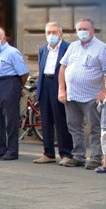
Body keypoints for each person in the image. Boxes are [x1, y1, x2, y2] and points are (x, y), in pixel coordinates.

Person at [59, 18, 106, 168]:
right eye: (79, 29)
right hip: (72, 95)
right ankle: (78, 156)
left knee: (95, 127)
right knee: (74, 126)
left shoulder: (101, 48)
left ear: (93, 30)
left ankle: (96, 158)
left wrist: (104, 92)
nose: (82, 32)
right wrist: (61, 89)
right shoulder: (73, 46)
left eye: (85, 29)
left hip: (92, 96)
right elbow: (63, 68)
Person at [0, 28, 30, 161]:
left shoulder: (12, 52)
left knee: (10, 119)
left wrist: (18, 86)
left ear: (4, 38)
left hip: (9, 83)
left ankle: (12, 150)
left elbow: (23, 72)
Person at [36, 23, 74, 164]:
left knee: (61, 120)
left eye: (54, 32)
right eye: (48, 32)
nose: (51, 35)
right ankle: (48, 153)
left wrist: (63, 88)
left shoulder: (68, 48)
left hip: (59, 84)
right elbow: (41, 68)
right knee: (45, 120)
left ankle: (66, 153)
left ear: (61, 34)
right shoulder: (42, 49)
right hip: (45, 83)